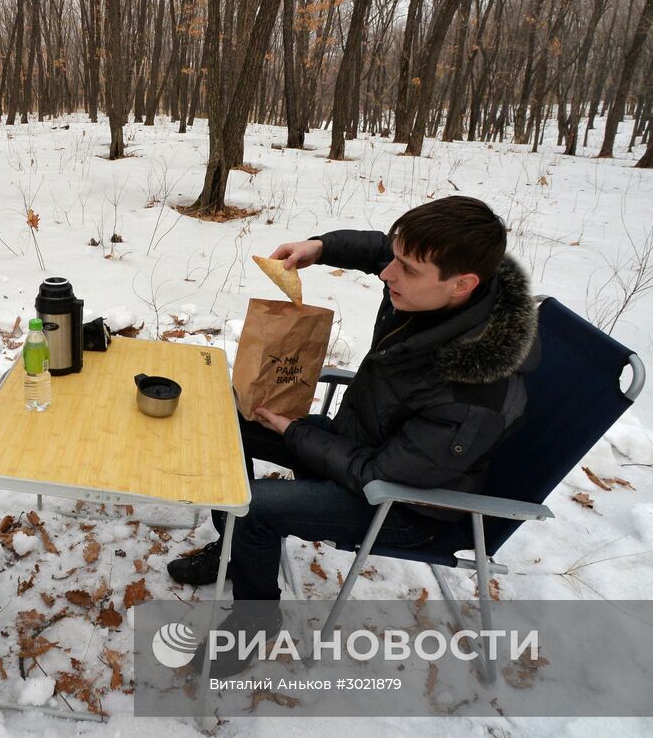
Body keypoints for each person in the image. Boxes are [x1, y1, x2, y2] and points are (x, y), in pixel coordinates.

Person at [168, 195, 538, 610]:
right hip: (363, 445)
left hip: (401, 502)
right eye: (395, 259)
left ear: (463, 284)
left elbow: (381, 475)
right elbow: (382, 248)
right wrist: (321, 246)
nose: (386, 273)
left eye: (406, 269)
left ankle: (254, 623)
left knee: (252, 508)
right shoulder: (440, 286)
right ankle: (238, 551)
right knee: (229, 421)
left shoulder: (472, 393)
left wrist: (295, 433)